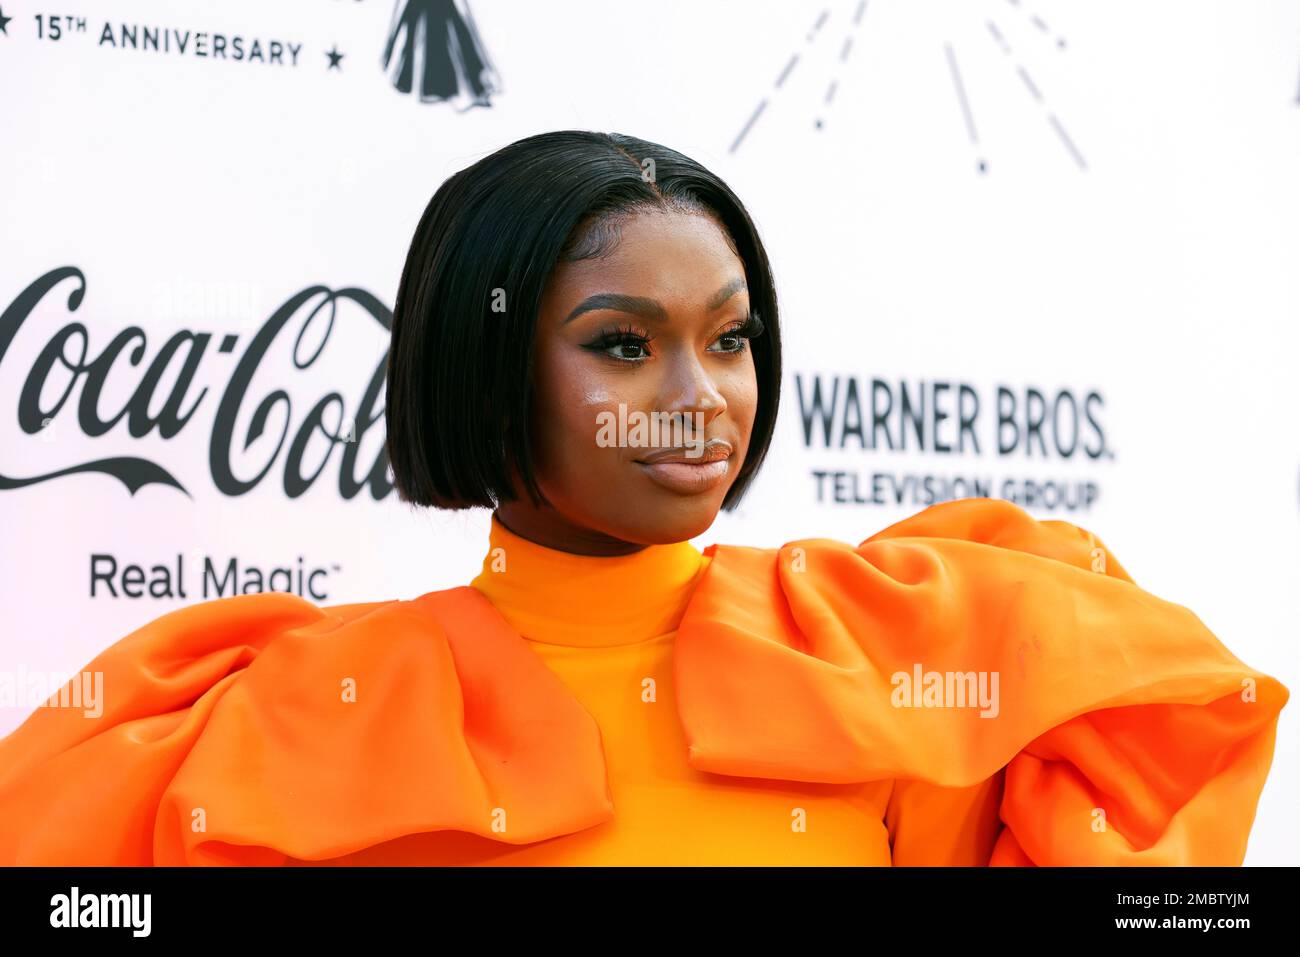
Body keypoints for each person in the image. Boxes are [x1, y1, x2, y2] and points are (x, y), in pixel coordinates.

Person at [0, 131, 1287, 866]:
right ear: (485, 358)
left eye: (730, 340)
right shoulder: (268, 715)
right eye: (623, 343)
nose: (700, 396)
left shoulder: (884, 652)